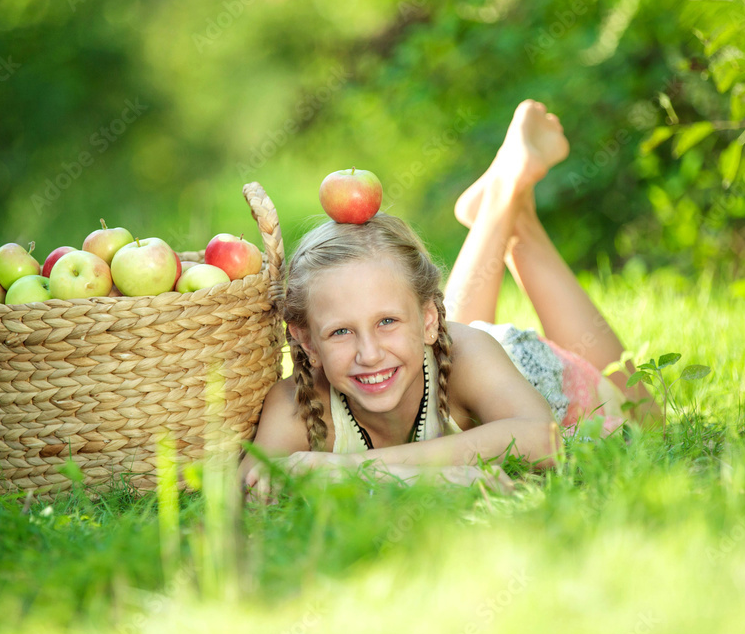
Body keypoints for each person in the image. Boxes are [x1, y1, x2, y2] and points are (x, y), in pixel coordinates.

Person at [239, 100, 654, 496]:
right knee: (415, 350)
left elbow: (545, 441)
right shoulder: (300, 404)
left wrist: (350, 469)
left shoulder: (467, 353)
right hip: (445, 366)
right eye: (341, 331)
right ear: (307, 341)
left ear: (430, 319)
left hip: (531, 374)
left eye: (385, 322)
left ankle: (512, 206)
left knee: (648, 419)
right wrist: (433, 478)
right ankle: (505, 205)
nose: (368, 353)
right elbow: (251, 489)